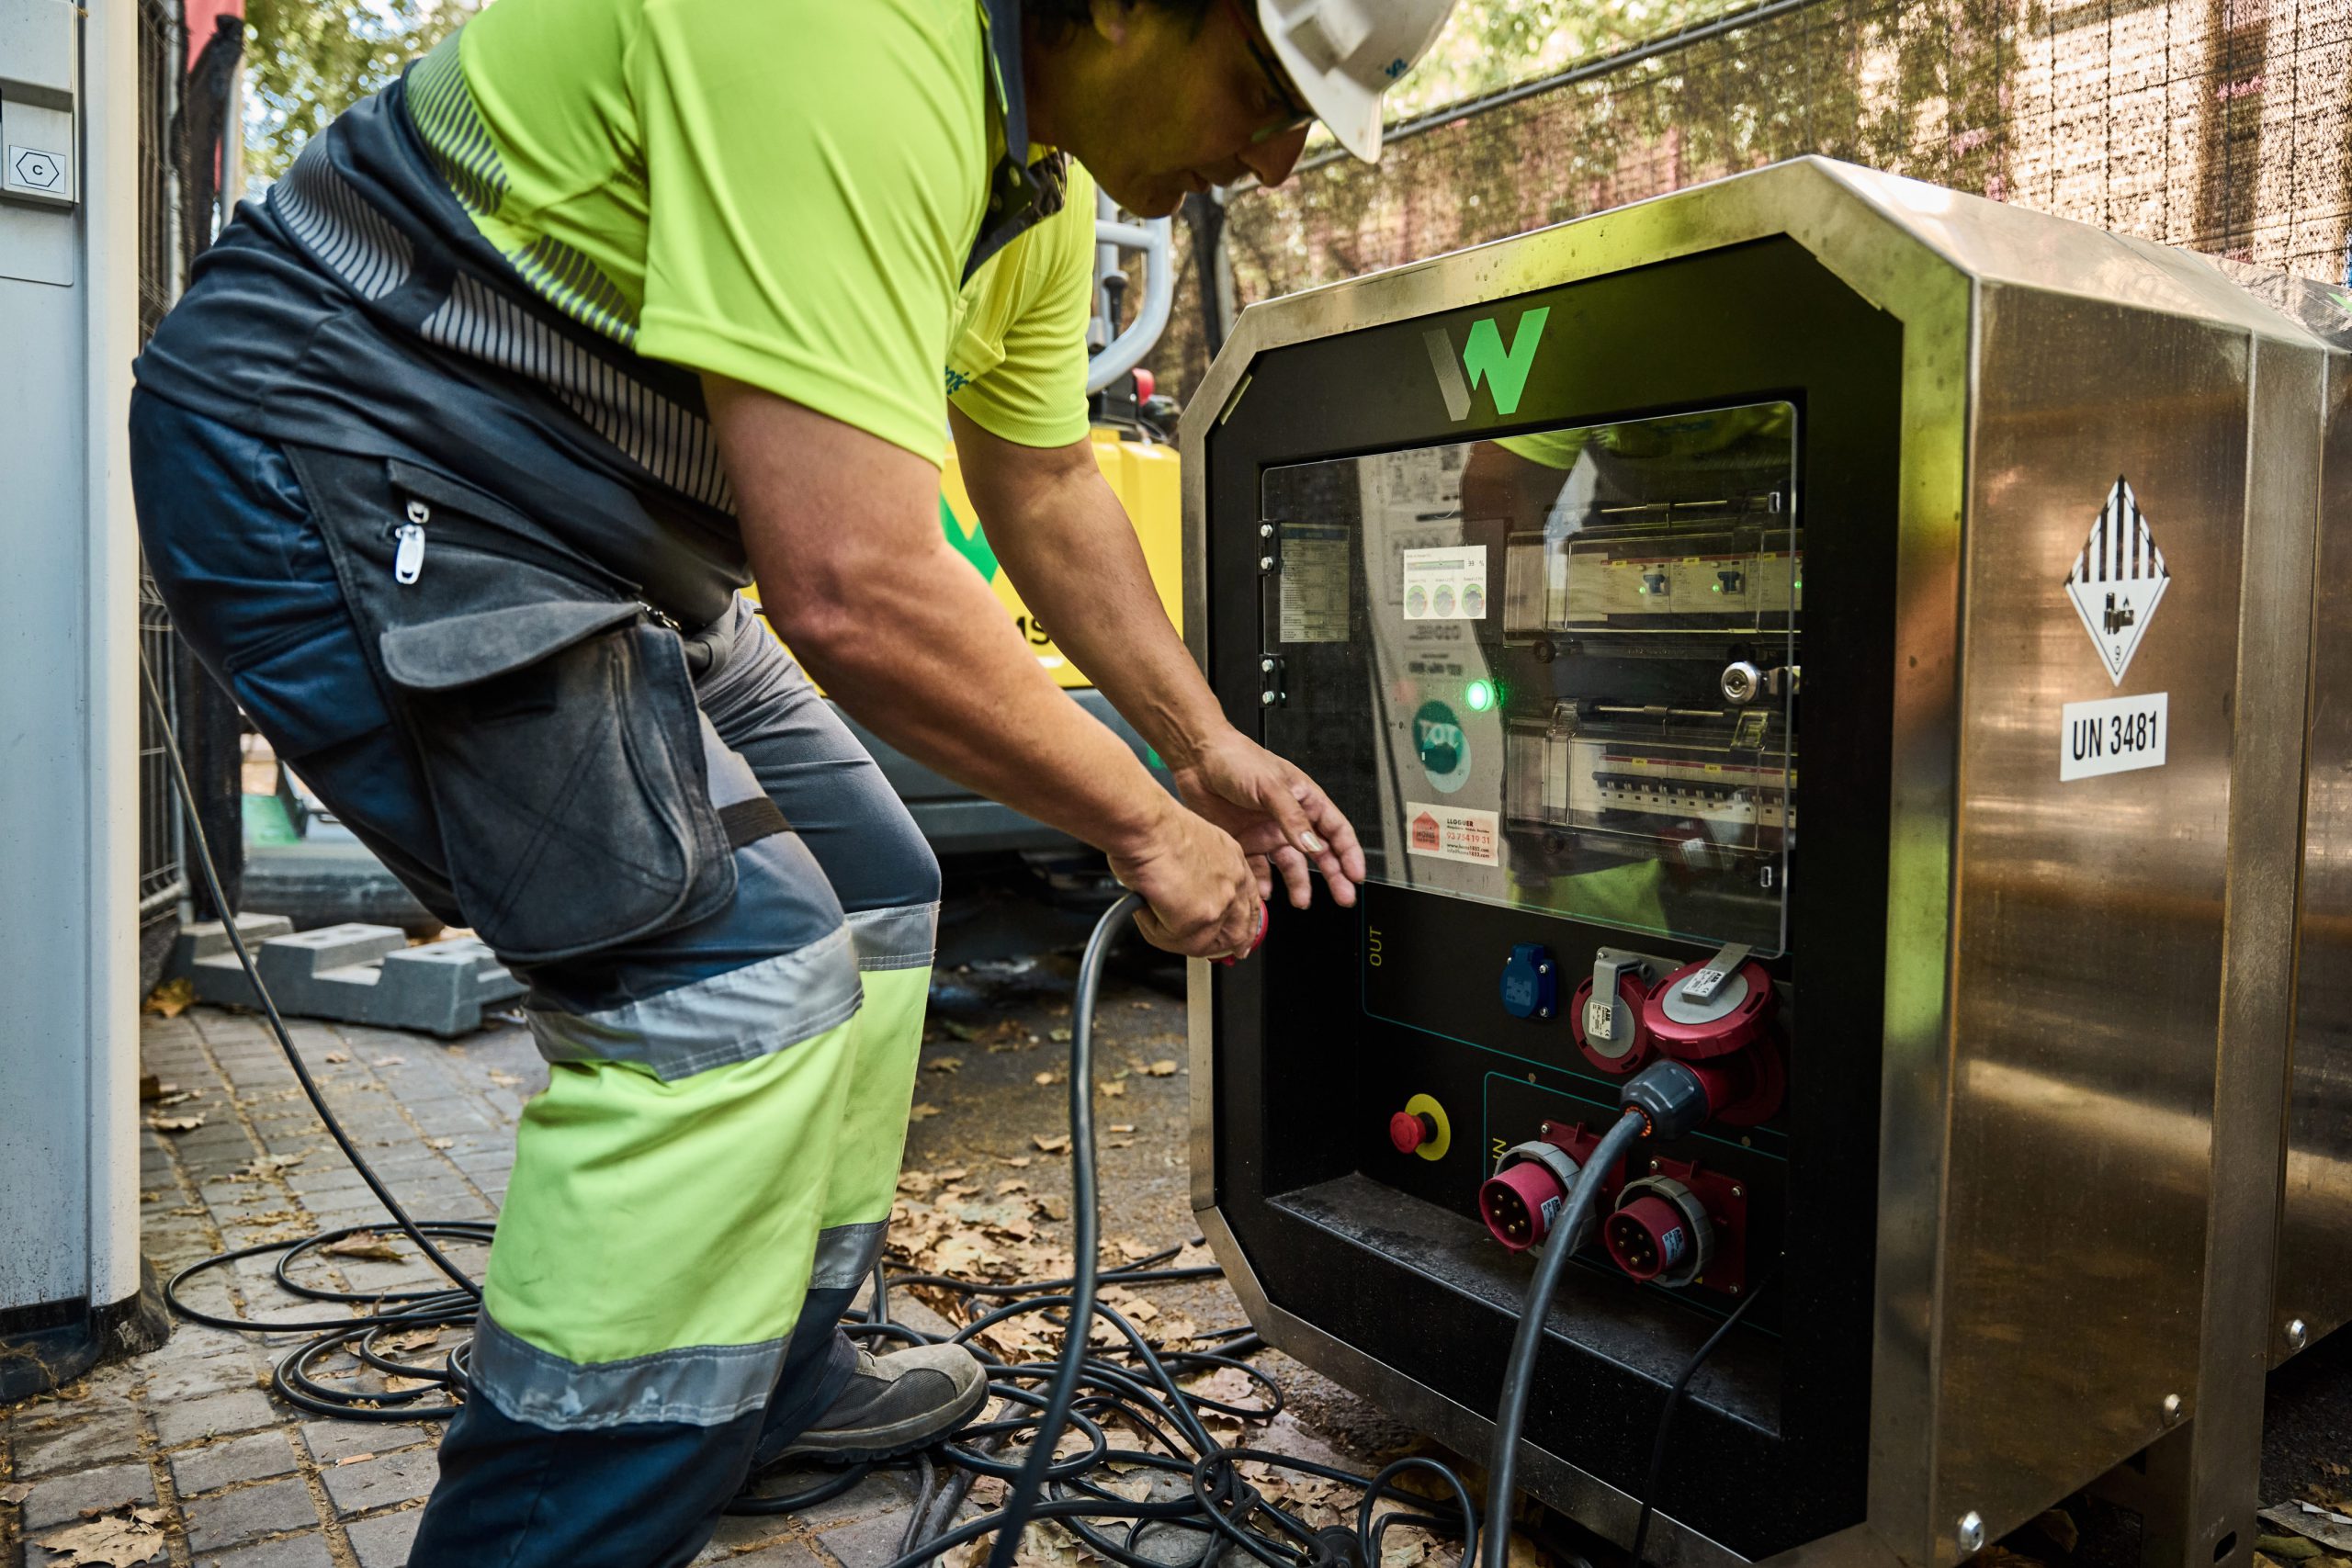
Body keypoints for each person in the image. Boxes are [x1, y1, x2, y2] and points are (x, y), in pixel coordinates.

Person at [128, 0, 1457, 1562]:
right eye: (1267, 86)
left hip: (605, 535)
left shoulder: (1037, 178)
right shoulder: (851, 33)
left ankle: (767, 1378)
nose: (1282, 157)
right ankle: (548, 1534)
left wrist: (1205, 748)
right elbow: (849, 586)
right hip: (343, 447)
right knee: (724, 998)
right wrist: (1144, 829)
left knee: (882, 888)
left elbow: (1035, 479)